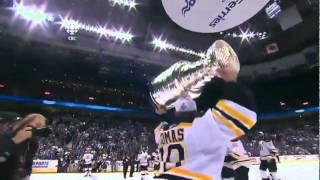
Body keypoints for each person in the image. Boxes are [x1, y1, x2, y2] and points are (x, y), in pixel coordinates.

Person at [153, 65, 257, 179]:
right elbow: (244, 111)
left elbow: (167, 127)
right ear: (195, 113)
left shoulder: (161, 133)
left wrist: (163, 115)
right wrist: (230, 79)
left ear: (176, 114)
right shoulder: (202, 128)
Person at [0, 113, 47, 180]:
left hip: (21, 174)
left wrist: (26, 170)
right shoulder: (8, 137)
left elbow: (28, 159)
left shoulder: (33, 143)